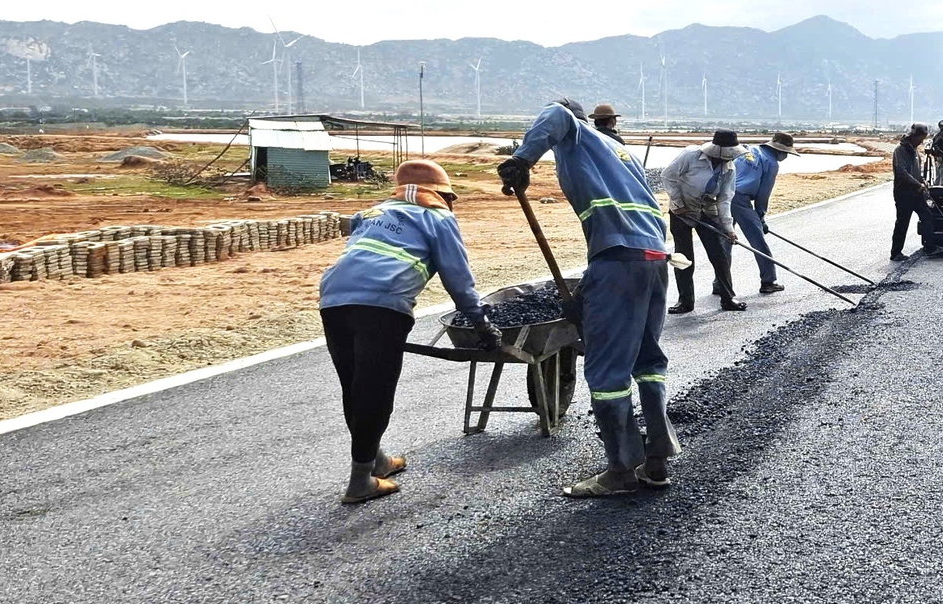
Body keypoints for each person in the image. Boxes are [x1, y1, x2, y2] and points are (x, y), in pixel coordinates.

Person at [498, 99, 678, 498]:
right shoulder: (619, 151)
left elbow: (555, 113)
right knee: (648, 360)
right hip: (653, 258)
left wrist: (521, 160)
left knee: (607, 371)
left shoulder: (575, 131)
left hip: (618, 262)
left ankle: (620, 471)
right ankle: (656, 461)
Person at [318, 159, 488, 506]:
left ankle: (376, 459)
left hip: (333, 299)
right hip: (381, 304)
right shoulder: (438, 218)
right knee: (375, 391)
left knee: (355, 386)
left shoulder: (371, 213)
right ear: (440, 194)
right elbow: (457, 277)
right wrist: (480, 322)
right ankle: (360, 481)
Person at [663, 128, 744, 313]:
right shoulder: (690, 155)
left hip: (707, 210)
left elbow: (725, 198)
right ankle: (685, 301)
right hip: (681, 211)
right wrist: (678, 202)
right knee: (684, 256)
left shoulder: (729, 167)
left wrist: (728, 228)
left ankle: (728, 298)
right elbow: (667, 176)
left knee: (719, 254)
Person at [732, 131, 796, 295]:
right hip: (740, 199)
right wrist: (761, 218)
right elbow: (763, 194)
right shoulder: (772, 163)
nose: (786, 157)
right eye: (786, 153)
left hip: (723, 195)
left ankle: (720, 283)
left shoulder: (749, 150)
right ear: (780, 150)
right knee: (758, 241)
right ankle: (768, 281)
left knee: (725, 239)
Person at [892, 122, 938, 260]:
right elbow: (901, 172)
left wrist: (922, 180)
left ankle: (930, 247)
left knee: (927, 216)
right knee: (902, 222)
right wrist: (917, 183)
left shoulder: (915, 150)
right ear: (913, 136)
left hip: (916, 192)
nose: (921, 142)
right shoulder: (900, 151)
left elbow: (916, 170)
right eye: (920, 139)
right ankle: (895, 253)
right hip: (904, 193)